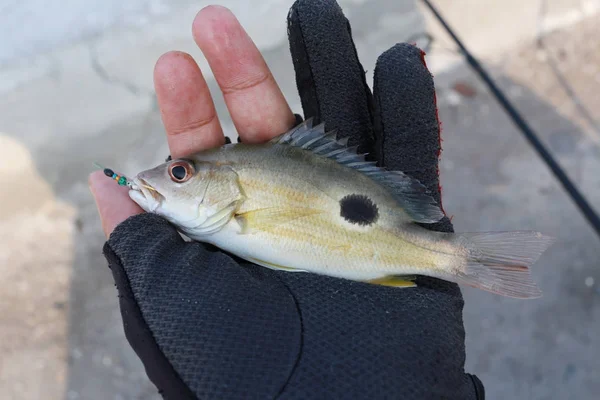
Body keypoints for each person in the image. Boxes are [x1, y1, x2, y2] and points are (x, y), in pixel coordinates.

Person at [89, 0, 485, 398]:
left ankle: (454, 257)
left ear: (225, 183)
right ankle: (453, 257)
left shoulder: (236, 214)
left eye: (180, 173)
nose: (168, 175)